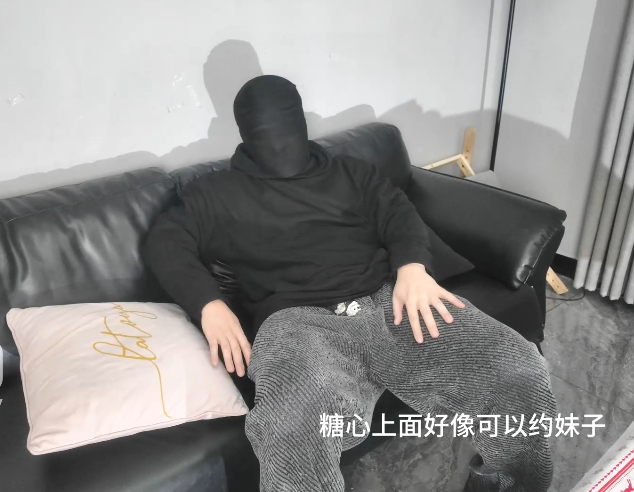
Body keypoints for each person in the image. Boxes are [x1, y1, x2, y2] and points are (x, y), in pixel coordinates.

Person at [143, 75, 557, 492]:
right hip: (296, 324)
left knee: (518, 369)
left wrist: (412, 268)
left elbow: (398, 214)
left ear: (300, 120)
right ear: (244, 131)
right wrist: (210, 305)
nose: (278, 140)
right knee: (291, 429)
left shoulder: (351, 173)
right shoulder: (215, 194)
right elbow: (165, 242)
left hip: (390, 301)